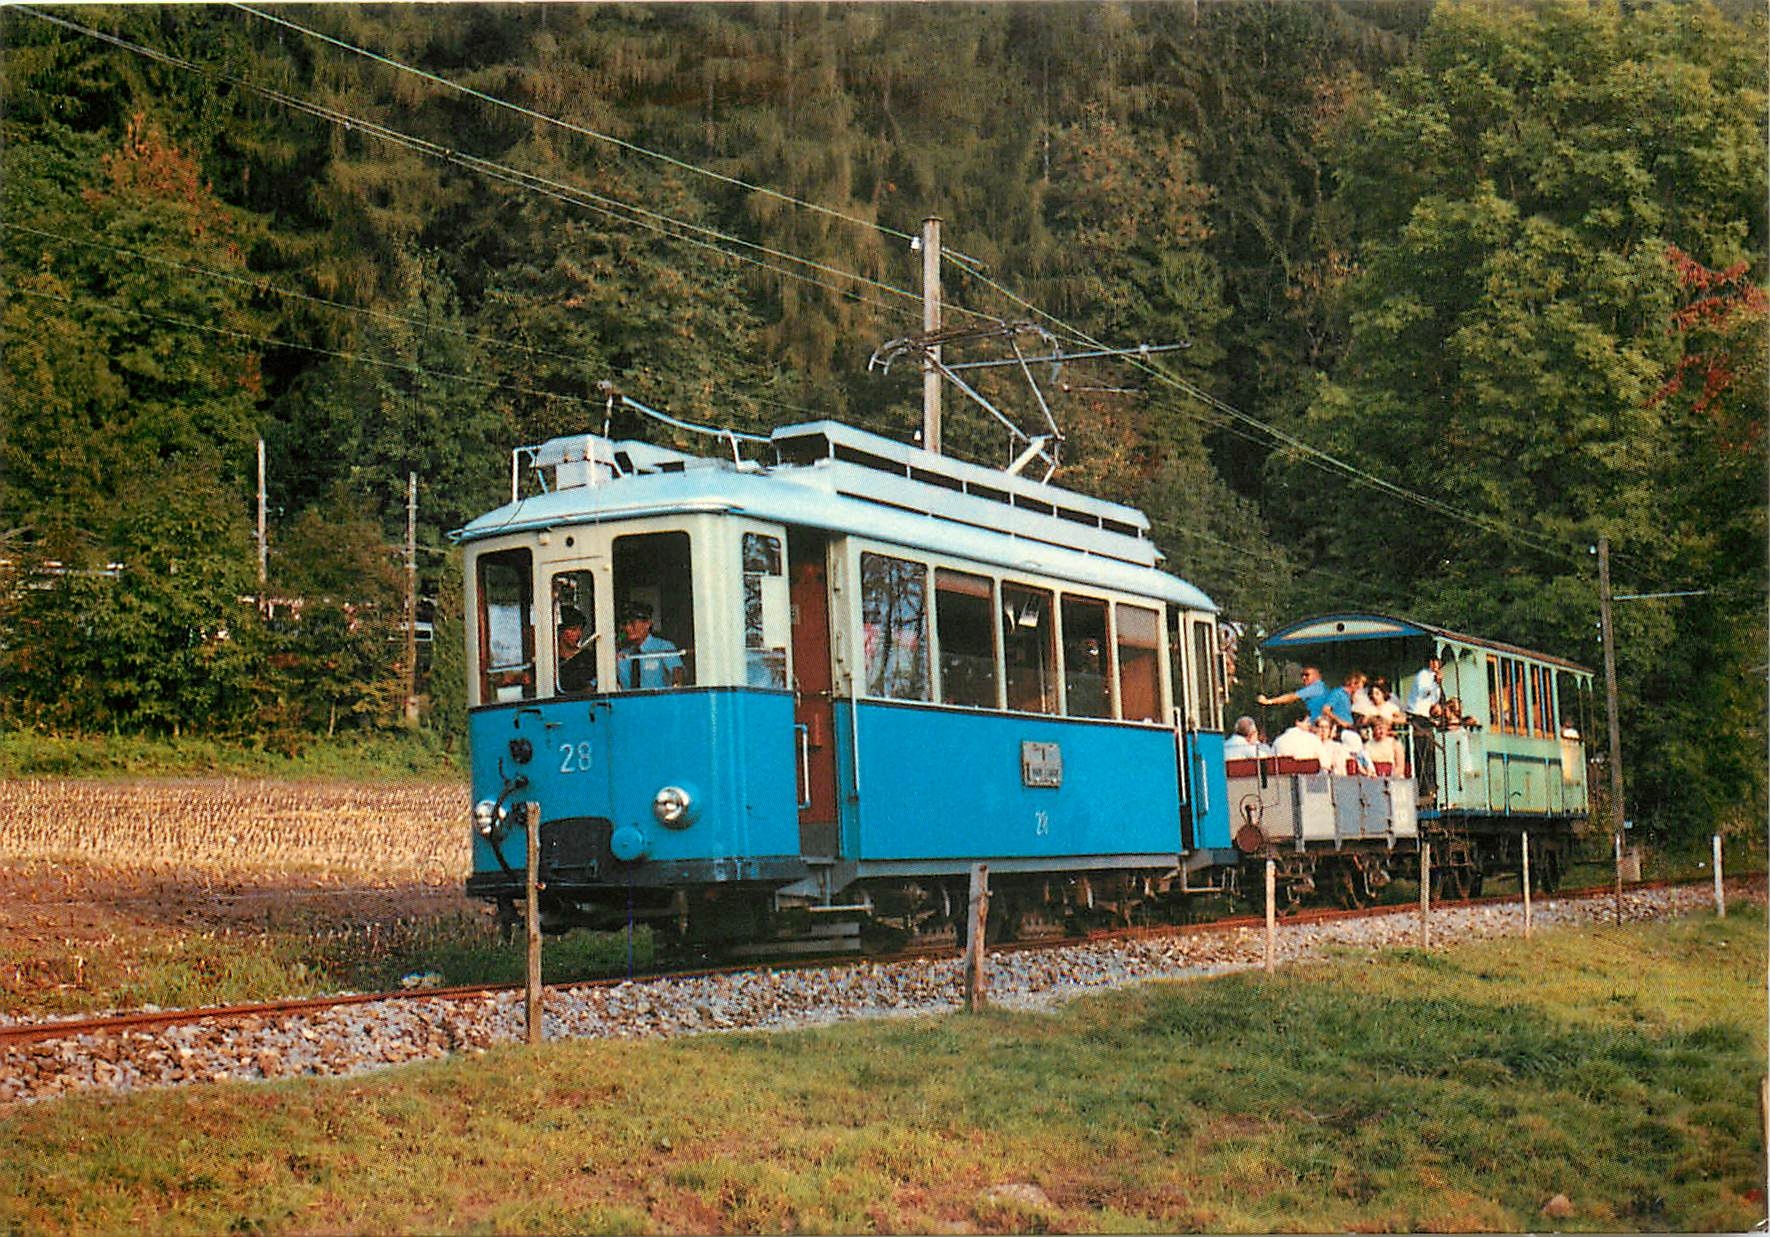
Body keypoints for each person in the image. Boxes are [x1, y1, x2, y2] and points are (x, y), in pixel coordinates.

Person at [615, 600, 684, 689]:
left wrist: (676, 686)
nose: (628, 628)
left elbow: (677, 673)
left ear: (647, 623)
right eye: (625, 624)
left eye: (632, 623)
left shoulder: (663, 647)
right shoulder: (622, 656)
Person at [1405, 654, 1443, 804]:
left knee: (1429, 754)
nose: (1436, 665)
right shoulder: (1423, 675)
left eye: (1438, 663)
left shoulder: (1434, 680)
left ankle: (1430, 787)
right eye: (1434, 662)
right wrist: (1435, 683)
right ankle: (1422, 789)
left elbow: (1434, 700)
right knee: (1420, 753)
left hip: (1426, 718)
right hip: (1417, 716)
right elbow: (1424, 692)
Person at [1257, 665, 1329, 721]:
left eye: (1307, 675)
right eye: (1302, 675)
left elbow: (1291, 697)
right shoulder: (1320, 687)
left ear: (1317, 675)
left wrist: (1268, 701)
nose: (1304, 678)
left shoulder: (1316, 687)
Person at [555, 605, 597, 693]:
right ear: (560, 631)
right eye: (573, 629)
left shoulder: (588, 657)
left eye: (580, 629)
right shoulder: (553, 661)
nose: (579, 634)